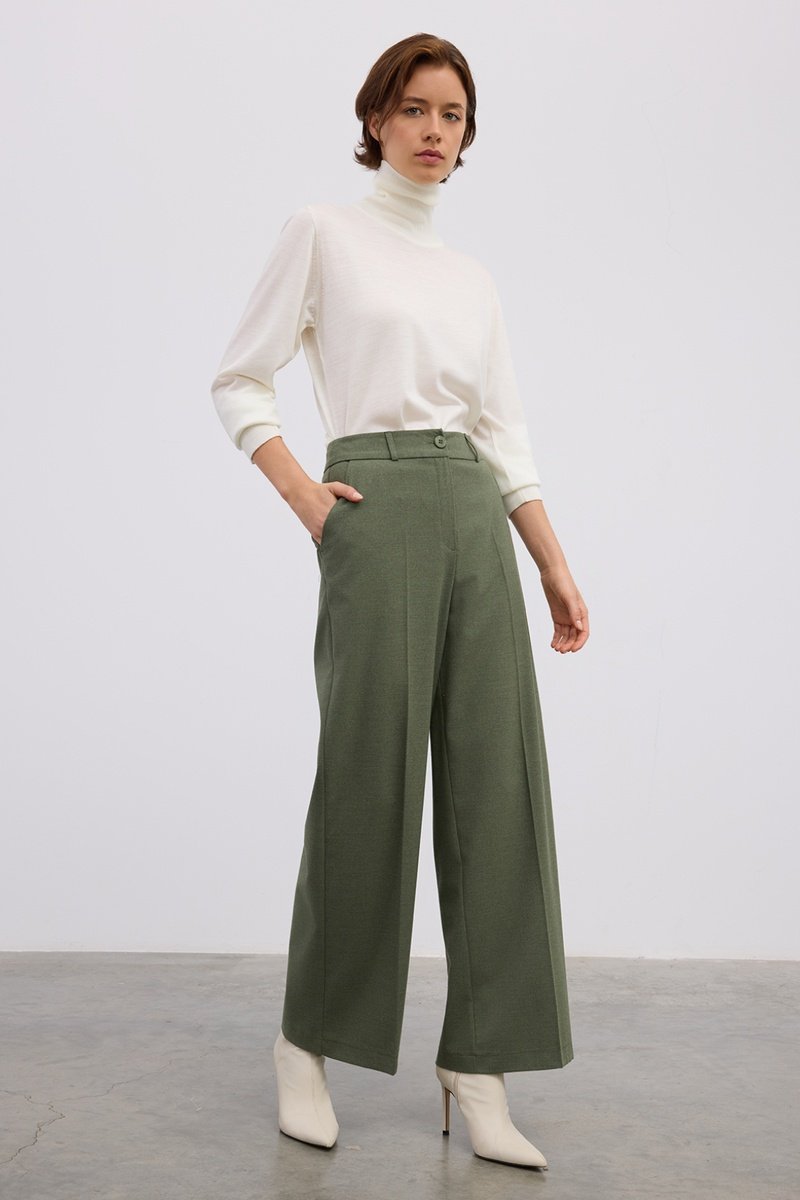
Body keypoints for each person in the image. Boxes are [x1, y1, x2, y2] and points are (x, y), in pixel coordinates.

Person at [210, 32, 589, 1172]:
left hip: (474, 514)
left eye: (453, 115)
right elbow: (240, 376)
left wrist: (550, 560)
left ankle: (480, 1065)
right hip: (371, 508)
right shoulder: (323, 233)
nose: (433, 131)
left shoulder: (471, 279)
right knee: (368, 778)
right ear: (375, 118)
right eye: (415, 108)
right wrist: (307, 500)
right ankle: (308, 1042)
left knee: (498, 787)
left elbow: (502, 433)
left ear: (468, 138)